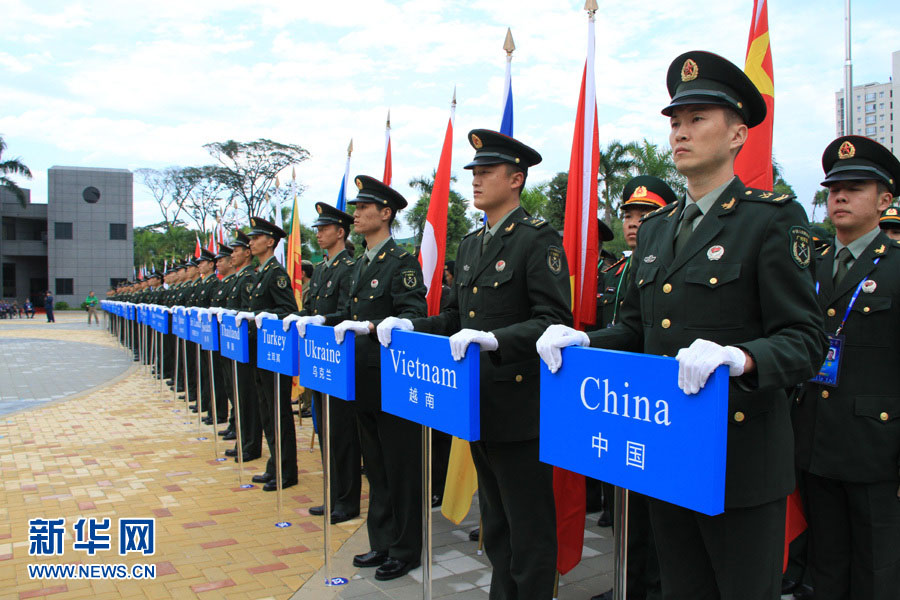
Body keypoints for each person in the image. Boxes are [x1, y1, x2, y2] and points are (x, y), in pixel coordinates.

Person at [537, 50, 827, 600]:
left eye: (698, 119)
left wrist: (740, 358)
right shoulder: (657, 229)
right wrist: (584, 341)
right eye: (675, 121)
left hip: (738, 459)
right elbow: (632, 328)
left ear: (739, 133)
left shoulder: (770, 219)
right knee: (681, 589)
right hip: (668, 452)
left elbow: (806, 341)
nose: (680, 133)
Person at [378, 129, 573, 599]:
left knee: (529, 527)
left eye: (487, 172)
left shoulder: (535, 239)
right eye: (474, 173)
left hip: (520, 404)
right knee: (498, 523)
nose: (476, 180)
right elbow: (456, 317)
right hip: (475, 402)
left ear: (517, 179)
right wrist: (413, 327)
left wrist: (495, 339)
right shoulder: (470, 243)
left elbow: (554, 320)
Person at [293, 175, 427, 581]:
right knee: (377, 467)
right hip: (360, 380)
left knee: (401, 467)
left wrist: (378, 326)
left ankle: (406, 549)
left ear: (385, 214)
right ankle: (381, 542)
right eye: (356, 208)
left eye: (363, 208)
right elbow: (350, 317)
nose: (355, 214)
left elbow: (413, 316)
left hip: (392, 380)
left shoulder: (401, 262)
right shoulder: (362, 263)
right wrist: (323, 319)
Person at [793, 135, 900, 600]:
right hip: (814, 441)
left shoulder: (896, 267)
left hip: (876, 448)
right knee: (826, 569)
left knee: (877, 572)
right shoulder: (809, 268)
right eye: (834, 187)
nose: (839, 196)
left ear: (884, 200)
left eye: (855, 187)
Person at [592, 175, 676, 600]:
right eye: (628, 213)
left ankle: (652, 586)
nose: (634, 221)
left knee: (657, 512)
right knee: (628, 509)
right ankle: (628, 583)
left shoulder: (666, 265)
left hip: (656, 403)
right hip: (618, 398)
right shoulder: (621, 269)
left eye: (645, 213)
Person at [285, 202, 361, 524]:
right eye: (316, 229)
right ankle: (334, 494)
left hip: (338, 361)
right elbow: (312, 308)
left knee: (343, 434)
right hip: (319, 362)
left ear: (340, 232)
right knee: (326, 431)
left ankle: (347, 500)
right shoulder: (324, 268)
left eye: (324, 228)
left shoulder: (349, 267)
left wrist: (322, 319)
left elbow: (348, 313)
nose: (317, 234)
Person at [236, 217, 300, 491]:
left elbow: (289, 311)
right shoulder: (261, 272)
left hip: (275, 353)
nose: (251, 242)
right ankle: (275, 464)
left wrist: (264, 315)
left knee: (278, 412)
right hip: (261, 351)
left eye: (256, 237)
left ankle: (287, 470)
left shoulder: (276, 273)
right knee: (267, 412)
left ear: (270, 241)